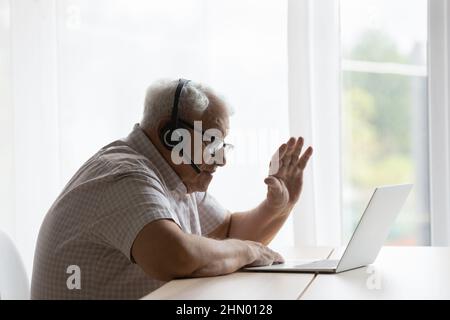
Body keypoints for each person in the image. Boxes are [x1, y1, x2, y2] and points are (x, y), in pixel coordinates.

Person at [31, 79, 313, 299]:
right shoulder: (124, 175)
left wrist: (278, 207)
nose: (222, 159)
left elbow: (226, 234)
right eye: (212, 142)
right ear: (170, 134)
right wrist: (248, 252)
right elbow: (175, 257)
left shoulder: (175, 176)